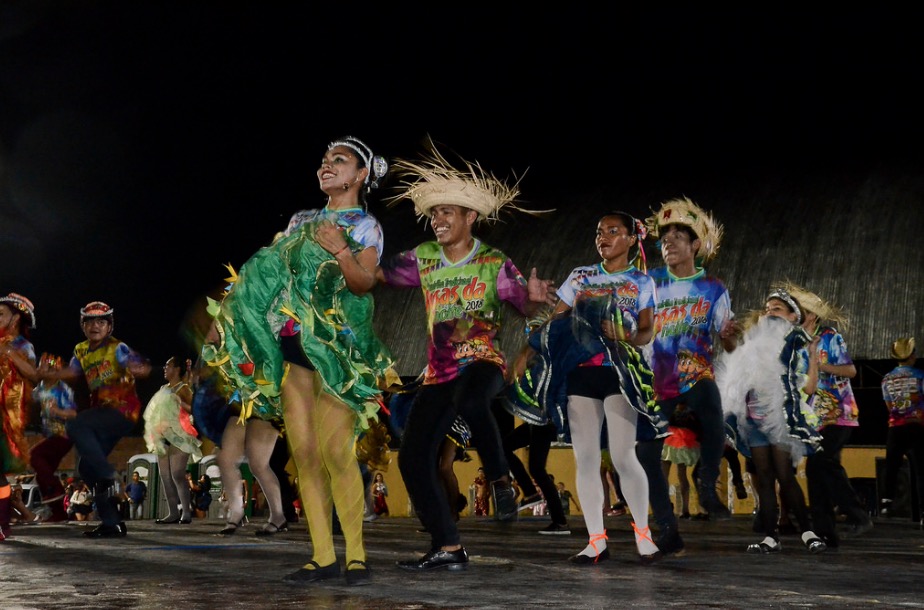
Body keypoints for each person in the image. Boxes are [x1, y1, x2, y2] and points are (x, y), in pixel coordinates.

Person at [204, 136, 395, 586]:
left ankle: (357, 557)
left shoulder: (365, 226)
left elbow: (364, 284)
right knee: (305, 456)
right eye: (325, 161)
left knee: (334, 451)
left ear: (361, 175)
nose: (327, 167)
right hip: (292, 350)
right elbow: (265, 273)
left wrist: (340, 250)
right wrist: (229, 314)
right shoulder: (300, 220)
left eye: (340, 161)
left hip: (336, 354)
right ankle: (323, 557)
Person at [378, 141, 556, 572]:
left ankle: (501, 480)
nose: (437, 220)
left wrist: (533, 301)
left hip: (482, 363)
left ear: (470, 217)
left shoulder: (494, 262)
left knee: (473, 401)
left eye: (447, 212)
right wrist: (344, 255)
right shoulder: (422, 258)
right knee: (411, 457)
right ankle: (448, 547)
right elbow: (374, 276)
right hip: (438, 375)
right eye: (434, 213)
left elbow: (526, 308)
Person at [541, 211, 662, 564]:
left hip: (619, 373)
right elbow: (556, 322)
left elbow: (646, 332)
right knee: (587, 459)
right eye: (599, 231)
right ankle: (596, 539)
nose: (603, 237)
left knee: (624, 456)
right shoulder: (580, 276)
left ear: (630, 239)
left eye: (613, 231)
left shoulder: (641, 281)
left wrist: (624, 335)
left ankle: (643, 534)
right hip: (580, 374)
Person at [633, 197, 738, 556]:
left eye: (679, 237)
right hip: (657, 379)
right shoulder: (648, 283)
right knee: (646, 454)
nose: (669, 244)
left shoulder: (713, 288)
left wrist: (728, 338)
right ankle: (667, 527)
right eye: (665, 239)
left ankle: (706, 481)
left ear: (696, 245)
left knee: (712, 409)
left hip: (695, 372)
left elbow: (730, 343)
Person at [717, 284, 826, 554]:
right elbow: (734, 359)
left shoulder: (794, 339)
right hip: (753, 420)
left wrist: (808, 338)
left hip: (779, 418)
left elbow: (808, 380)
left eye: (777, 309)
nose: (769, 313)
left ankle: (808, 532)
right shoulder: (753, 342)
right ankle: (770, 536)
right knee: (763, 477)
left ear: (792, 316)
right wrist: (727, 338)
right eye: (767, 309)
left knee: (784, 475)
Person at [37, 301, 152, 538]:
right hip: (101, 415)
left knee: (77, 424)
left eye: (101, 321)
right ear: (83, 325)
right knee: (86, 467)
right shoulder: (81, 350)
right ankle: (113, 523)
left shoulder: (117, 348)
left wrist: (140, 368)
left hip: (122, 411)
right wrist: (50, 374)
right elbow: (72, 372)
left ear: (109, 327)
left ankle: (110, 475)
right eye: (89, 321)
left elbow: (139, 365)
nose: (95, 326)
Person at [795, 285, 874, 545]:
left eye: (803, 312)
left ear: (813, 316)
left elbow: (851, 371)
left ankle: (857, 513)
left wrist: (820, 364)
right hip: (813, 418)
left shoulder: (830, 336)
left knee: (821, 462)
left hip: (839, 413)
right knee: (816, 470)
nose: (798, 315)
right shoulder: (795, 342)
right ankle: (825, 532)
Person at [144, 356, 202, 524]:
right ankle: (172, 512)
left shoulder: (183, 388)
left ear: (177, 369)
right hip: (162, 436)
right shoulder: (163, 388)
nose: (164, 368)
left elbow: (194, 409)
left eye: (168, 366)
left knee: (177, 474)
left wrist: (181, 404)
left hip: (179, 436)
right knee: (165, 476)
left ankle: (186, 511)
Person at [0, 293, 38, 540]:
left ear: (15, 319)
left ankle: (2, 523)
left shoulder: (22, 346)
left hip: (5, 416)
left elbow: (34, 377)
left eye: (1, 314)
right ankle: (3, 523)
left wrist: (8, 352)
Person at [29, 353, 79, 522]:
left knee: (34, 455)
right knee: (43, 474)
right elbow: (29, 397)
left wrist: (58, 411)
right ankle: (58, 515)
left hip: (63, 436)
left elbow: (73, 413)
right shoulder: (41, 388)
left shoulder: (62, 389)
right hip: (51, 436)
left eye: (46, 367)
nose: (42, 370)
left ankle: (56, 490)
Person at [880, 337, 924, 522]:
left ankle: (886, 500)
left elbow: (889, 405)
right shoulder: (920, 375)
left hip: (896, 427)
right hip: (917, 426)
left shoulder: (887, 379)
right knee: (921, 470)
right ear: (912, 356)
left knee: (892, 464)